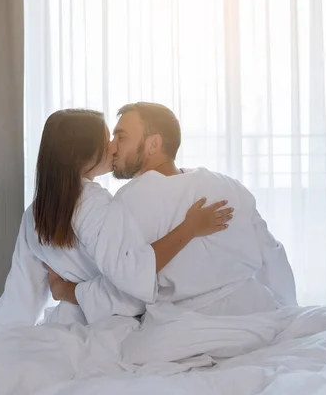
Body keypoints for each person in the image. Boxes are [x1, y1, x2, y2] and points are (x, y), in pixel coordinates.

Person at [0, 109, 232, 341]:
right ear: (84, 153)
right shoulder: (95, 204)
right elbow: (134, 285)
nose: (113, 148)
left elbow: (19, 299)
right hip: (104, 333)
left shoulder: (35, 213)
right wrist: (189, 228)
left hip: (61, 330)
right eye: (107, 140)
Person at [48, 102, 297, 322]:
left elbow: (124, 288)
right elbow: (272, 256)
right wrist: (287, 314)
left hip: (184, 326)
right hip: (257, 314)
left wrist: (68, 291)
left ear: (153, 144)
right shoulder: (228, 186)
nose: (112, 147)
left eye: (121, 137)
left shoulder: (127, 203)